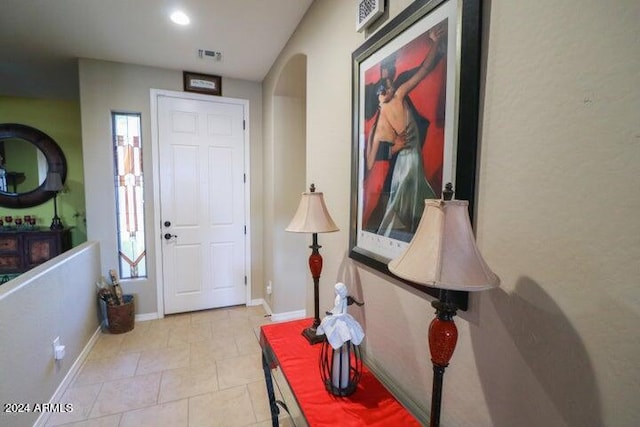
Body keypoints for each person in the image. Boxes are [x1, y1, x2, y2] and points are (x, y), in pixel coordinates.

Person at [369, 23, 446, 241]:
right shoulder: (378, 126)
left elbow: (423, 70)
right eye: (385, 86)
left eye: (389, 83)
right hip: (405, 162)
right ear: (378, 96)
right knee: (404, 195)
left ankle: (413, 235)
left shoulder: (399, 94)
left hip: (413, 156)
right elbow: (368, 162)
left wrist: (435, 41)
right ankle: (393, 234)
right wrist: (393, 149)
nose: (389, 87)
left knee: (411, 195)